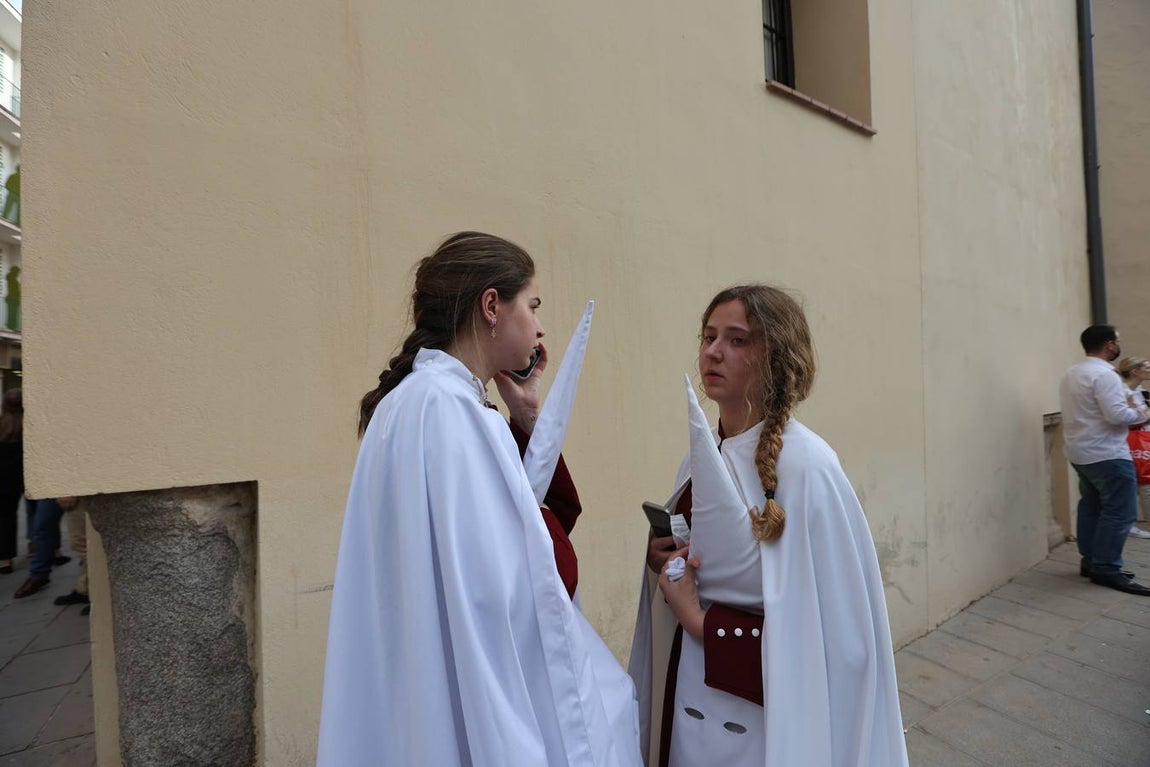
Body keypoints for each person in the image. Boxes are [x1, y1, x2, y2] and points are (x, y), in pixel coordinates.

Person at [318, 232, 641, 767]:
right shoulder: (455, 412)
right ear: (492, 305)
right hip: (469, 676)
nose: (539, 327)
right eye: (532, 307)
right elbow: (523, 578)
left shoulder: (414, 402)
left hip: (421, 673)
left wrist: (527, 413)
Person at [629, 285, 908, 767]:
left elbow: (836, 643)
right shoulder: (702, 454)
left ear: (775, 358)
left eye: (737, 340)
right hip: (689, 703)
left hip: (762, 726)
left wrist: (700, 621)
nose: (713, 351)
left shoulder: (809, 467)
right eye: (709, 335)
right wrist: (664, 556)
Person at [1059, 326, 1150, 594]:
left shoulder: (1072, 372)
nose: (1119, 345)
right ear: (1110, 345)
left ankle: (1092, 562)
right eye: (1118, 341)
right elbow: (1118, 415)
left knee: (1092, 507)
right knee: (1121, 512)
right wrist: (1143, 413)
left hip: (1080, 452)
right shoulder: (1105, 375)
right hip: (1107, 453)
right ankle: (1106, 567)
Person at [1116, 355, 1150, 538]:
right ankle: (1129, 524)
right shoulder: (1123, 391)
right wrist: (1144, 413)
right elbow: (1136, 416)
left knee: (1144, 481)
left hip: (1143, 438)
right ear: (1135, 371)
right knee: (1140, 481)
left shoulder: (1138, 390)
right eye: (1147, 367)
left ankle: (1133, 522)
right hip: (1131, 440)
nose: (1149, 370)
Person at [0, 388, 23, 574]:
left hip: (5, 479)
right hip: (26, 475)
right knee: (37, 514)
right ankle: (51, 550)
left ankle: (5, 560)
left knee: (6, 517)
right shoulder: (29, 425)